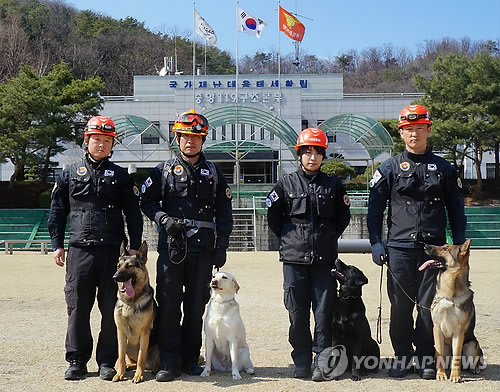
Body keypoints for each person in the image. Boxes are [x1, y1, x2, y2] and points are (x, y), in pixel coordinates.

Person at [367, 104, 467, 379]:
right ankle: (401, 356)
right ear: (401, 133)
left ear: (428, 130)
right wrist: (376, 242)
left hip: (433, 250)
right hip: (398, 248)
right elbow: (374, 210)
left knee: (427, 306)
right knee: (400, 306)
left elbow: (456, 210)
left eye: (419, 129)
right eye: (409, 130)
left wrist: (459, 246)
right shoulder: (388, 168)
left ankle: (425, 357)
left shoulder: (445, 168)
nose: (414, 134)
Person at [48, 115, 143, 381]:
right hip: (79, 250)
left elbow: (133, 214)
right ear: (86, 141)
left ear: (112, 145)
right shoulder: (68, 174)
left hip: (113, 252)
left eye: (106, 141)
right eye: (96, 140)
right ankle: (77, 360)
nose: (101, 145)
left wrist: (134, 247)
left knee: (111, 307)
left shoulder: (122, 177)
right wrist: (57, 245)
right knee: (77, 307)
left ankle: (107, 361)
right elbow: (57, 212)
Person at [140, 110, 233, 382]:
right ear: (177, 138)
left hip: (204, 250)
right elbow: (146, 201)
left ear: (203, 140)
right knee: (169, 305)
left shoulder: (214, 172)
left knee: (196, 305)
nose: (190, 142)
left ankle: (191, 358)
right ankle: (170, 360)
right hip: (172, 247)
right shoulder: (163, 170)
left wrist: (222, 244)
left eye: (196, 137)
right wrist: (163, 218)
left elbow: (224, 212)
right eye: (185, 137)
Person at [266, 128, 351, 382]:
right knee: (297, 313)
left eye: (317, 152)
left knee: (324, 314)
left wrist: (325, 239)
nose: (312, 157)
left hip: (324, 261)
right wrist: (292, 240)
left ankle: (321, 363)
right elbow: (274, 219)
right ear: (299, 154)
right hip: (294, 260)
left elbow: (342, 219)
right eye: (307, 152)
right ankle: (301, 360)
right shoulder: (284, 184)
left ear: (324, 155)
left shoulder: (334, 186)